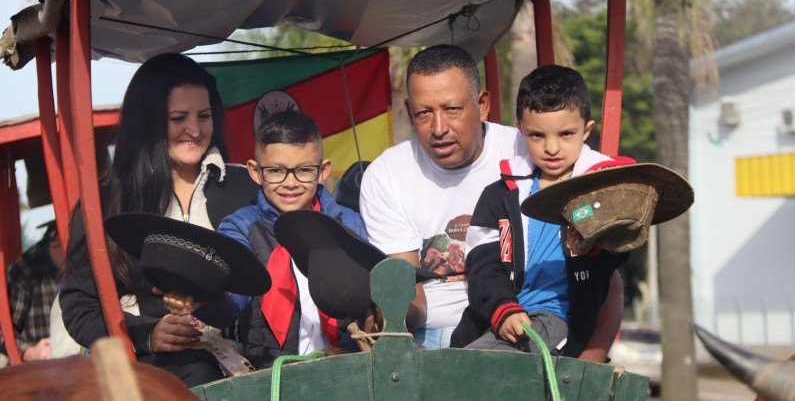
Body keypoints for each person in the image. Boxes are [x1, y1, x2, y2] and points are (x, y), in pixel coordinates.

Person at [59, 53, 258, 387]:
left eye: (204, 116)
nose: (194, 130)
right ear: (149, 121)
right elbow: (80, 305)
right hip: (149, 376)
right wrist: (147, 335)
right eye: (178, 117)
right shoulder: (105, 200)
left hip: (246, 368)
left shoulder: (246, 186)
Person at [359, 44, 531, 348]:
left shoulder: (525, 153)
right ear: (410, 112)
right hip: (428, 337)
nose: (438, 128)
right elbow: (410, 295)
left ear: (482, 104)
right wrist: (390, 311)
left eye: (452, 110)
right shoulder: (386, 174)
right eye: (425, 113)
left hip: (520, 322)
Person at [452, 64, 627, 361]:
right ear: (521, 131)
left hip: (556, 320)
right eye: (536, 135)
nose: (552, 147)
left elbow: (621, 250)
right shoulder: (499, 196)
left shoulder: (601, 189)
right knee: (450, 366)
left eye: (566, 133)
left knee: (466, 371)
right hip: (499, 321)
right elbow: (483, 265)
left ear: (586, 130)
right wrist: (502, 308)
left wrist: (589, 248)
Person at [217, 110, 368, 369]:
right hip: (269, 376)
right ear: (255, 171)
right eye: (276, 170)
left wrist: (350, 349)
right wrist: (202, 296)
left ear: (323, 171)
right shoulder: (239, 227)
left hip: (345, 367)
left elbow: (372, 303)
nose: (290, 183)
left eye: (304, 170)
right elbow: (231, 298)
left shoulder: (350, 225)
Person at [0, 221, 63, 362]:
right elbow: (2, 330)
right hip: (37, 371)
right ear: (58, 238)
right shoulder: (24, 271)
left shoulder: (85, 269)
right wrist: (28, 352)